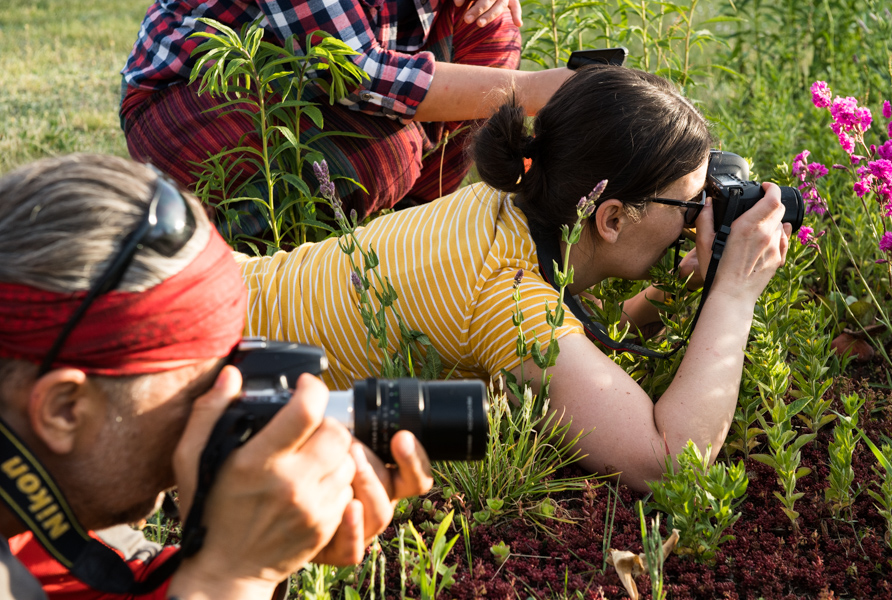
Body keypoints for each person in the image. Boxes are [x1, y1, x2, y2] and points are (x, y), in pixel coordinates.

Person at [236, 65, 792, 491]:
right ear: (613, 217)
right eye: (690, 204)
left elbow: (575, 346)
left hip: (222, 298)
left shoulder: (504, 205)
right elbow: (666, 461)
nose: (699, 215)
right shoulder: (504, 295)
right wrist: (736, 293)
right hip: (221, 376)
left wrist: (681, 288)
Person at [0, 154, 433, 599]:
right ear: (65, 410)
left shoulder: (40, 516)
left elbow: (119, 578)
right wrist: (229, 581)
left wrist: (256, 546)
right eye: (203, 392)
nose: (228, 413)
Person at [119, 0, 573, 237]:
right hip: (193, 95)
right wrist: (533, 90)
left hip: (319, 86)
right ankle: (241, 268)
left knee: (489, 31)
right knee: (382, 156)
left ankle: (401, 240)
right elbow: (352, 70)